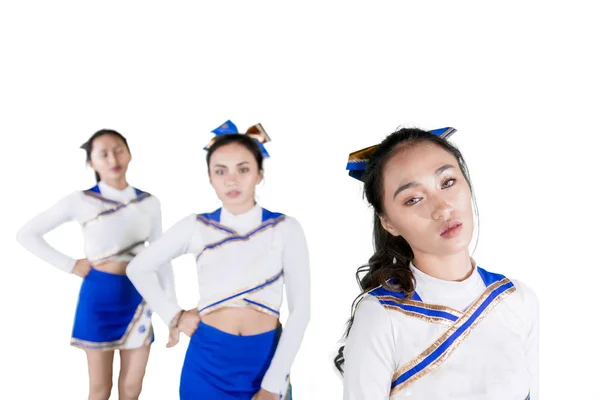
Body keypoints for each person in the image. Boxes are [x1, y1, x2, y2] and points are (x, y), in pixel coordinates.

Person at [337, 127, 539, 399]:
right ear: (388, 222)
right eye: (413, 199)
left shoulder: (517, 299)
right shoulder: (381, 316)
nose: (442, 208)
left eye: (447, 183)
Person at [126, 121, 310, 400]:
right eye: (220, 171)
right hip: (207, 364)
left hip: (265, 362)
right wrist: (173, 316)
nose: (232, 180)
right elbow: (138, 267)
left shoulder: (285, 228)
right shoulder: (196, 226)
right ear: (210, 177)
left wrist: (272, 385)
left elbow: (301, 312)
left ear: (259, 173)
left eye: (243, 169)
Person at [16, 129, 177, 400]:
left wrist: (170, 310)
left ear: (129, 153)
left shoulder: (149, 203)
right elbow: (26, 234)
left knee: (132, 388)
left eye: (118, 149)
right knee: (100, 389)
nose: (113, 158)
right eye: (103, 153)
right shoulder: (81, 200)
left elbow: (160, 257)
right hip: (99, 298)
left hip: (139, 299)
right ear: (92, 162)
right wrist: (70, 264)